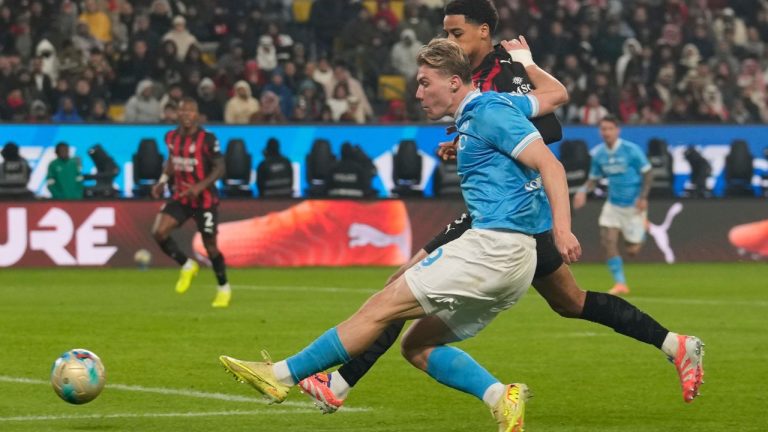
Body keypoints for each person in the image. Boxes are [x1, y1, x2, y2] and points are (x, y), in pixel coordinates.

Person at [299, 0, 704, 413]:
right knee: (571, 302)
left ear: (483, 32)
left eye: (456, 33)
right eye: (445, 31)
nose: (447, 39)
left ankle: (339, 381)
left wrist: (522, 73)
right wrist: (463, 142)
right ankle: (676, 344)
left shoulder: (500, 74)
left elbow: (549, 123)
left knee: (402, 288)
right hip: (506, 214)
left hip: (506, 218)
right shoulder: (466, 75)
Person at [220, 37, 580, 431]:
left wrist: (562, 230)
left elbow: (551, 165)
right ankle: (500, 396)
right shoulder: (495, 109)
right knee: (416, 345)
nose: (418, 92)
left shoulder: (487, 111)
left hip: (493, 247)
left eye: (426, 83)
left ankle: (282, 376)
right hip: (517, 261)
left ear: (456, 83)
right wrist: (526, 62)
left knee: (379, 308)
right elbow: (553, 94)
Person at [150, 98, 231, 308]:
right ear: (177, 114)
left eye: (191, 110)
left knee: (210, 246)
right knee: (159, 232)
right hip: (182, 197)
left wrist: (199, 187)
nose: (186, 114)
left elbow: (220, 167)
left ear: (197, 115)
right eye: (183, 110)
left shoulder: (207, 139)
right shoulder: (171, 137)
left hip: (205, 200)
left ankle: (223, 288)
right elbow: (171, 161)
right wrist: (162, 181)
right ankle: (187, 265)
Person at [573, 115, 654, 296]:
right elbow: (593, 179)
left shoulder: (631, 150)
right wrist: (583, 191)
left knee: (632, 250)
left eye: (610, 128)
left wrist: (643, 197)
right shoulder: (600, 155)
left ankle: (642, 229)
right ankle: (620, 283)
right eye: (603, 129)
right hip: (613, 204)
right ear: (599, 132)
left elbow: (648, 174)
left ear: (618, 130)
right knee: (607, 240)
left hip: (633, 205)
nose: (606, 132)